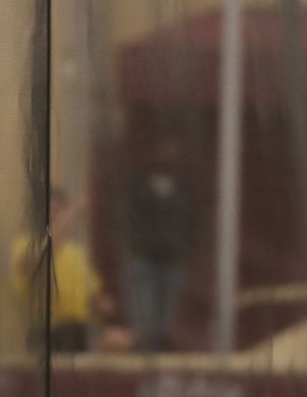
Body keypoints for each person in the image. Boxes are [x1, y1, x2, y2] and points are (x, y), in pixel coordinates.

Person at [123, 133, 195, 353]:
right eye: (164, 150)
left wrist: (186, 248)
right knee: (143, 315)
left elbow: (192, 220)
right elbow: (126, 217)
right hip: (143, 257)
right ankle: (143, 351)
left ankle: (159, 351)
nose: (168, 156)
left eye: (173, 151)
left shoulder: (184, 188)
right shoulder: (138, 185)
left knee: (165, 320)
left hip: (171, 258)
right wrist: (131, 246)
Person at [12, 188, 105, 355]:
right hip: (45, 332)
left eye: (58, 211)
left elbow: (94, 299)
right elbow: (35, 260)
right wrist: (74, 211)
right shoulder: (25, 245)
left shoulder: (77, 254)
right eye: (50, 211)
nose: (55, 217)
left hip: (78, 334)